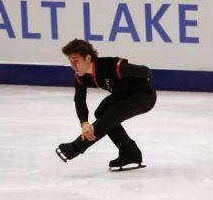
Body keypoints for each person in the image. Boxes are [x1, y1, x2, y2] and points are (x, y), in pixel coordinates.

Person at [55, 39, 157, 171]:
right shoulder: (81, 76)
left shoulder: (110, 66)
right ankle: (130, 153)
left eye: (76, 60)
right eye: (70, 60)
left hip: (144, 96)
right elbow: (79, 100)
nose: (72, 65)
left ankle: (75, 148)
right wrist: (84, 123)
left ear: (88, 58)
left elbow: (146, 71)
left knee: (113, 112)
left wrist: (141, 78)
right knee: (101, 112)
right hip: (123, 96)